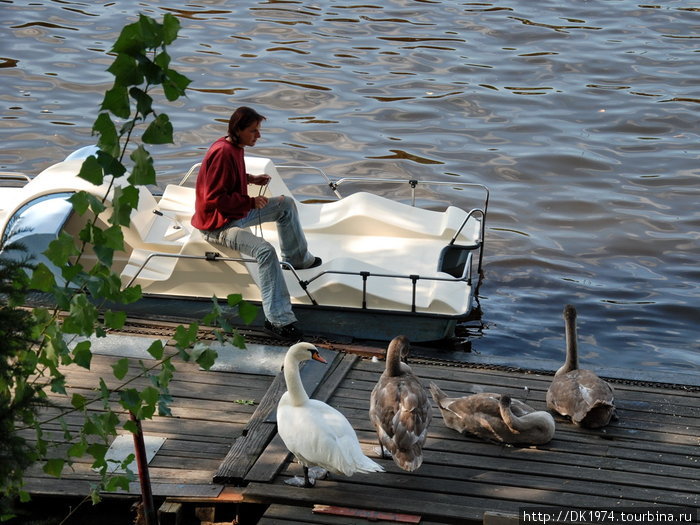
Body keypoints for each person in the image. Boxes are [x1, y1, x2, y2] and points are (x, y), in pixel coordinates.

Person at [191, 106, 321, 339]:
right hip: (217, 225)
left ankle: (297, 259)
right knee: (265, 251)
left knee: (286, 204)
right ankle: (278, 320)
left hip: (234, 213)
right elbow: (216, 199)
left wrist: (251, 179)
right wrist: (251, 203)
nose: (258, 135)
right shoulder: (223, 152)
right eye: (253, 131)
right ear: (238, 129)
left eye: (258, 130)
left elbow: (228, 179)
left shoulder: (234, 146)